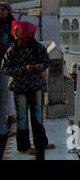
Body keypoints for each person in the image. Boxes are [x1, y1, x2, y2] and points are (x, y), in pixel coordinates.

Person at [1, 20, 54, 160]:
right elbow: (5, 68)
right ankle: (24, 146)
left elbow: (46, 62)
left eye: (19, 30)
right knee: (22, 118)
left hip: (35, 86)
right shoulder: (12, 50)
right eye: (16, 30)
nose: (16, 33)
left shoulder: (38, 48)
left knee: (37, 117)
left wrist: (38, 67)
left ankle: (41, 143)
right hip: (19, 88)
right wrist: (24, 69)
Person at [0, 2, 15, 141]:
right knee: (3, 96)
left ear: (8, 11)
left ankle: (4, 127)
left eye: (3, 9)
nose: (0, 11)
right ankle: (3, 130)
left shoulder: (13, 25)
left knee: (5, 94)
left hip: (6, 63)